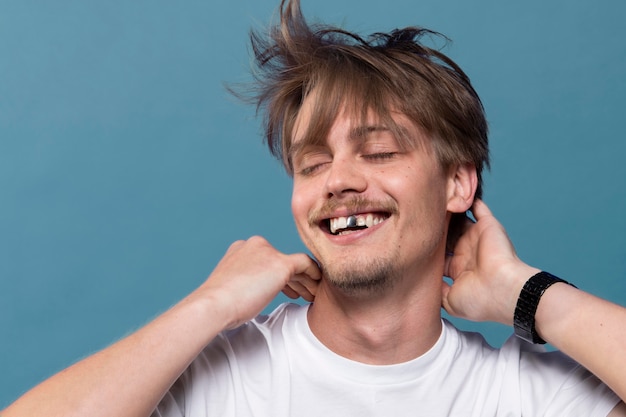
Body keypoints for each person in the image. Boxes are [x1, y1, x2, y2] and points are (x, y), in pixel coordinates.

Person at [3, 0, 626, 416]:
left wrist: (526, 292)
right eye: (312, 163)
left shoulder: (526, 394)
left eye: (378, 152)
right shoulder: (218, 378)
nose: (339, 182)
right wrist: (209, 306)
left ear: (457, 186)